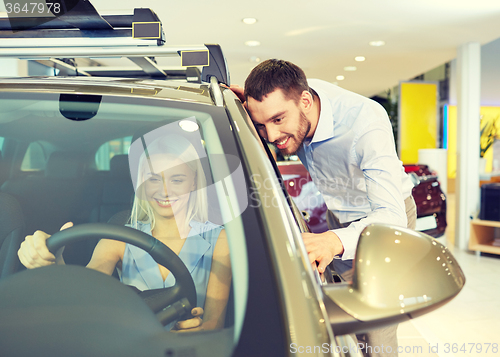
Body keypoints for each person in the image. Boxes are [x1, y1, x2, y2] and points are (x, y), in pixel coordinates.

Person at [231, 59, 416, 357]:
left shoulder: (365, 123)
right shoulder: (292, 99)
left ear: (305, 101)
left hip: (384, 221)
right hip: (339, 216)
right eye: (262, 124)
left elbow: (391, 215)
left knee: (376, 333)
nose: (272, 136)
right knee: (343, 319)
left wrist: (333, 240)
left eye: (278, 120)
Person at [17, 133, 232, 332]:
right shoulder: (117, 239)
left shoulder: (219, 239)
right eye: (154, 179)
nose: (164, 191)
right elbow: (84, 295)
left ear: (193, 181)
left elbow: (214, 323)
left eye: (177, 180)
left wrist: (192, 333)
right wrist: (54, 262)